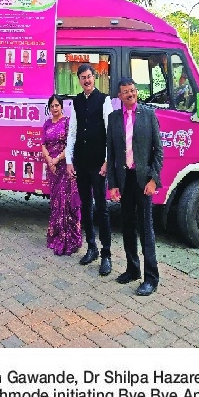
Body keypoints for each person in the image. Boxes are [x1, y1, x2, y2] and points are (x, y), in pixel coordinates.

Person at [107, 78, 163, 296]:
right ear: (119, 96)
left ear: (136, 92)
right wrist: (112, 185)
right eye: (125, 92)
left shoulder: (148, 115)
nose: (130, 94)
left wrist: (153, 180)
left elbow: (158, 151)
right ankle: (133, 269)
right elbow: (111, 153)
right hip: (124, 180)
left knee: (146, 229)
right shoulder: (113, 119)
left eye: (132, 90)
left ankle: (151, 278)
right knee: (128, 227)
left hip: (143, 181)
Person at [65, 64, 113, 275]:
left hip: (98, 164)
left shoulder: (104, 100)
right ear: (79, 80)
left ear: (95, 78)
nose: (86, 80)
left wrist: (106, 161)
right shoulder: (76, 101)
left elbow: (110, 133)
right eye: (83, 78)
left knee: (102, 209)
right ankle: (91, 247)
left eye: (89, 77)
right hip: (81, 163)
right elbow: (72, 133)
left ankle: (106, 255)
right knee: (85, 206)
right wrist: (69, 160)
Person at [41, 95, 82, 256]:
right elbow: (43, 144)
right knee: (56, 202)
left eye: (57, 105)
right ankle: (56, 235)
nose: (55, 108)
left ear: (62, 106)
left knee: (67, 202)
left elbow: (70, 144)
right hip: (52, 169)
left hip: (66, 166)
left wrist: (57, 159)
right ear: (49, 108)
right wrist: (50, 161)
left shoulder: (67, 122)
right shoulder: (47, 123)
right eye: (52, 106)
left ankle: (69, 239)